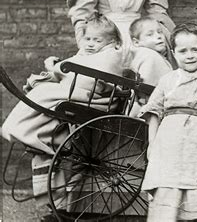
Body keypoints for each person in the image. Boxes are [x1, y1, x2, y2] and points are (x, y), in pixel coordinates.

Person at [1, 13, 124, 206]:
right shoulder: (88, 54)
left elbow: (92, 79)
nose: (90, 43)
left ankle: (31, 133)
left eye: (97, 40)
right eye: (88, 39)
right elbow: (78, 66)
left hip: (95, 100)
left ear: (112, 41)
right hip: (82, 94)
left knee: (46, 92)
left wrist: (58, 69)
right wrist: (57, 69)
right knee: (43, 91)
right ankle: (34, 133)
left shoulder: (111, 55)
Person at [138, 23, 197, 221]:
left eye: (195, 50)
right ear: (173, 52)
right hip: (170, 143)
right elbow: (153, 111)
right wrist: (152, 143)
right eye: (183, 51)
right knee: (169, 186)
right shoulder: (168, 79)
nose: (190, 55)